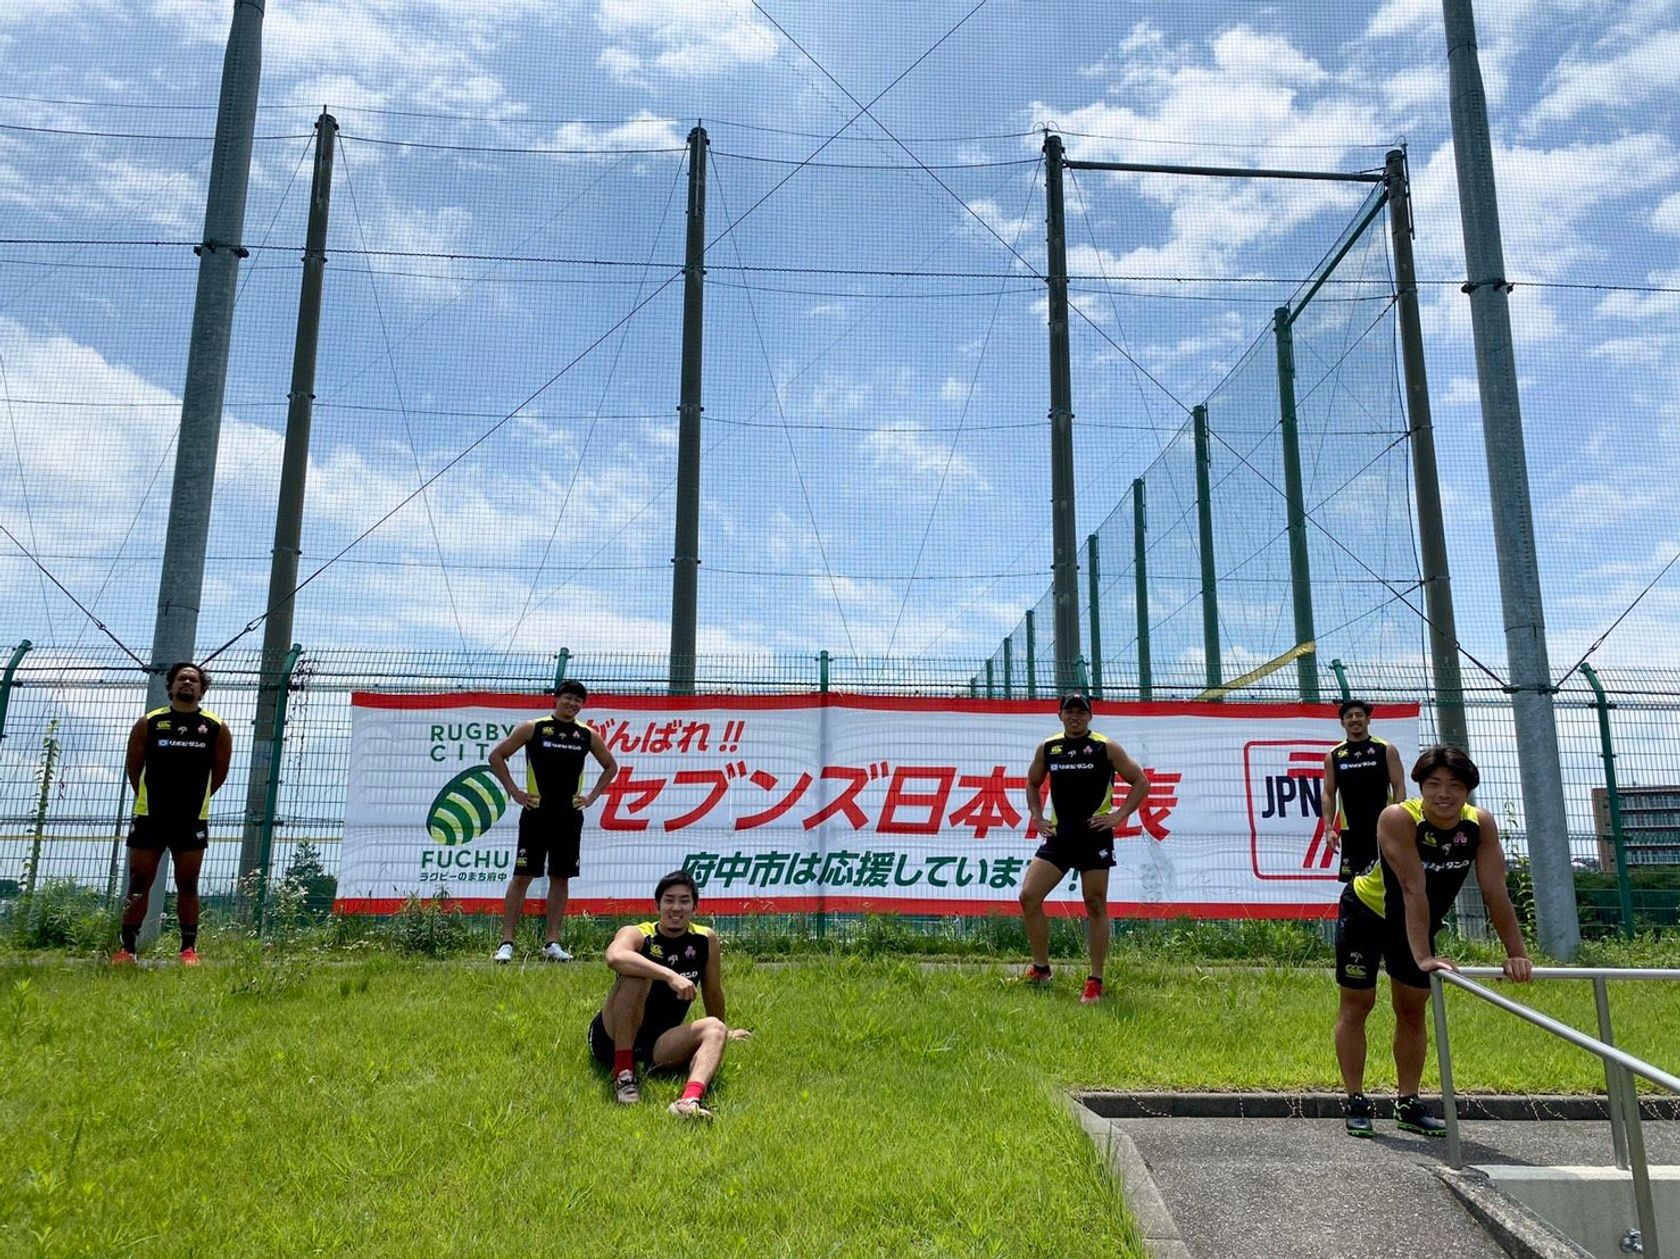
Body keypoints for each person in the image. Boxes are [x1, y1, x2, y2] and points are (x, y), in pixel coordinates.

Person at [1333, 745, 1533, 1136]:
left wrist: (1517, 955)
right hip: (1367, 914)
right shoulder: (1398, 818)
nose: (1444, 794)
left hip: (1417, 922)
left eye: (1455, 786)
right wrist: (1423, 956)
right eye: (1434, 784)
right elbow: (1411, 887)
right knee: (1358, 1004)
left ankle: (1407, 1103)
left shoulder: (1479, 825)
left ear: (1468, 790)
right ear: (1420, 786)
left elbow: (1496, 892)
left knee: (1411, 1010)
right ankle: (1355, 1099)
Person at [1019, 693, 1150, 1004]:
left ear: (1090, 716)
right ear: (1060, 716)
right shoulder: (1049, 748)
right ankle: (1041, 970)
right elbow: (1032, 783)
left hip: (1094, 834)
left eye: (1081, 712)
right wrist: (1037, 817)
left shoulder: (1106, 747)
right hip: (1061, 836)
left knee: (1094, 904)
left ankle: (1095, 979)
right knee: (1029, 896)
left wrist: (1119, 816)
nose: (1074, 717)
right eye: (1069, 711)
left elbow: (1140, 781)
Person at [587, 870, 750, 1119]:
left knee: (714, 1028)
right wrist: (669, 975)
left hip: (659, 1045)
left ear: (695, 906)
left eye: (684, 901)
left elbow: (713, 991)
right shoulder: (639, 933)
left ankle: (688, 1101)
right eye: (669, 900)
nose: (676, 908)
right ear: (657, 905)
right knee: (637, 973)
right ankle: (623, 1072)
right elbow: (614, 957)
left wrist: (725, 1032)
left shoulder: (705, 939)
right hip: (609, 1038)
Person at [488, 679, 616, 963]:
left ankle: (552, 942)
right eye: (568, 698)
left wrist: (592, 797)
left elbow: (611, 766)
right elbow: (497, 756)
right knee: (522, 876)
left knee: (561, 876)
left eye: (578, 701)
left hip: (569, 816)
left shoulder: (587, 735)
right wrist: (514, 791)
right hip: (536, 812)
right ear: (556, 699)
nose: (572, 704)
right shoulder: (533, 728)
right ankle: (507, 942)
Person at [114, 662, 233, 965]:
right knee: (139, 880)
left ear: (202, 689)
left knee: (188, 881)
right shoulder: (149, 723)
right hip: (150, 814)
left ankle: (188, 949)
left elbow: (220, 772)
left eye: (193, 680)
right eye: (182, 679)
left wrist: (196, 798)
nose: (187, 684)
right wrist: (149, 797)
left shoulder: (216, 727)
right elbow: (133, 767)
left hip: (191, 816)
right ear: (170, 687)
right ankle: (127, 949)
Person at [1322, 699, 1406, 882]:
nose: (1354, 719)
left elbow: (1398, 786)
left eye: (1359, 715)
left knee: (1388, 880)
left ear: (1368, 720)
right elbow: (1328, 793)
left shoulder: (1385, 749)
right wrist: (1329, 828)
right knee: (1355, 885)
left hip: (1384, 828)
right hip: (1352, 830)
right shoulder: (1334, 755)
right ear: (1342, 723)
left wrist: (1398, 822)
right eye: (1349, 716)